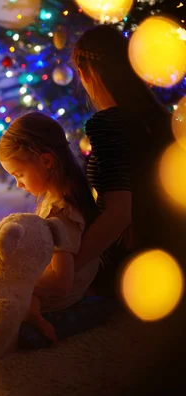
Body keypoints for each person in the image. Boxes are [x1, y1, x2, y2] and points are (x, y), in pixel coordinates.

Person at [0, 112, 100, 342]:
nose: (18, 183)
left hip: (51, 297)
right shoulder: (56, 198)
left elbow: (61, 283)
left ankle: (23, 314)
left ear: (46, 161)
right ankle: (19, 312)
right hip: (34, 284)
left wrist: (8, 276)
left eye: (19, 174)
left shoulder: (62, 213)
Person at [71, 25, 183, 299]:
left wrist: (72, 266)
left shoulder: (109, 124)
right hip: (171, 254)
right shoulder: (158, 119)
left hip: (131, 264)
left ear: (87, 73)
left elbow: (118, 216)